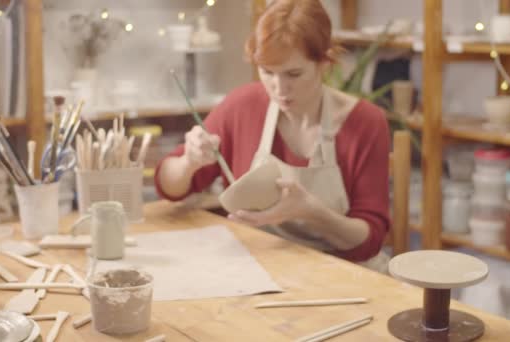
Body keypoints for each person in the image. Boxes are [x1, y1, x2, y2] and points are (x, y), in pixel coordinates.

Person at [154, 0, 390, 271]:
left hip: (341, 271)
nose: (279, 88)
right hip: (261, 266)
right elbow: (169, 187)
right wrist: (189, 162)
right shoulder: (243, 105)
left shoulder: (365, 122)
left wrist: (311, 211)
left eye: (294, 73)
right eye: (267, 72)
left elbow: (369, 239)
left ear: (324, 62)